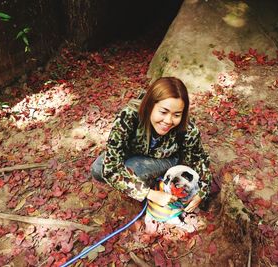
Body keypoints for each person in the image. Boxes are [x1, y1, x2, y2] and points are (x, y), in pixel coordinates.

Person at [91, 77, 212, 212]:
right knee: (97, 169)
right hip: (133, 151)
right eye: (163, 112)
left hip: (166, 158)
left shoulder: (188, 129)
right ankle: (145, 182)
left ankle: (153, 178)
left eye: (177, 115)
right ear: (150, 106)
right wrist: (150, 194)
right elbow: (111, 168)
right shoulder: (128, 118)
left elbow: (199, 160)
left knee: (133, 171)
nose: (168, 121)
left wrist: (202, 193)